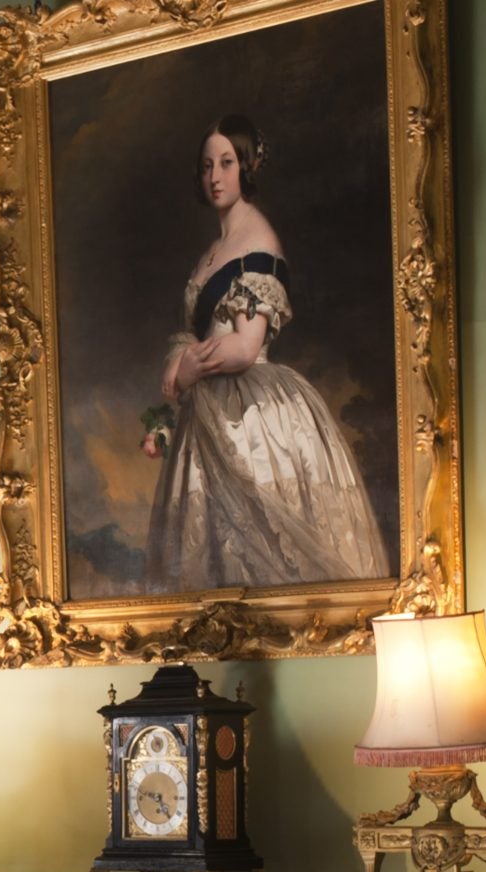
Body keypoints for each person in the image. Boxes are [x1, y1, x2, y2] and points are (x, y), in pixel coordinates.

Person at [142, 114, 389, 592]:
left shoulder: (257, 239)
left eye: (227, 163)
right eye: (207, 166)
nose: (215, 176)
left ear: (248, 166)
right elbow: (193, 330)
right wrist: (178, 359)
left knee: (259, 538)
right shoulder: (215, 248)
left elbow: (244, 345)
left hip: (252, 412)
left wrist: (190, 365)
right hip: (208, 407)